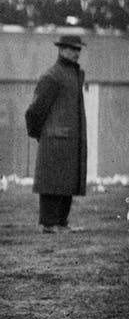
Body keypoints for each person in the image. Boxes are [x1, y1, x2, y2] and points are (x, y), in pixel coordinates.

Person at [24, 32, 87, 232]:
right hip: (55, 140)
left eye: (78, 49)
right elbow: (34, 111)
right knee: (53, 183)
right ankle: (50, 223)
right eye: (71, 49)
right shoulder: (52, 76)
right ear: (61, 49)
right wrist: (38, 134)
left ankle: (60, 222)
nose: (76, 53)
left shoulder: (72, 75)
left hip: (66, 140)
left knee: (66, 182)